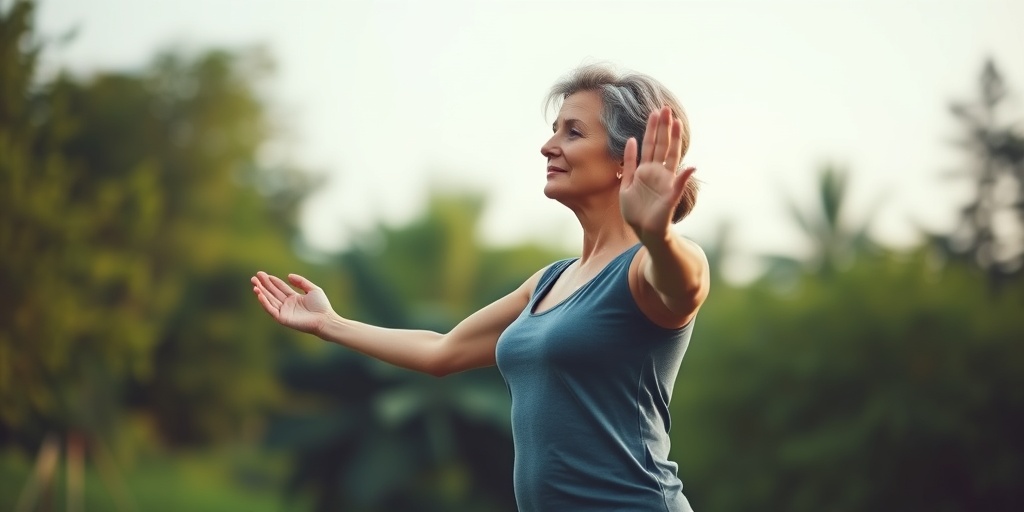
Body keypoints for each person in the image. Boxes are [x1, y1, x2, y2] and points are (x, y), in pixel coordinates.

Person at [251, 63, 710, 511]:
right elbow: (442, 352)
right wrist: (330, 324)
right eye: (554, 129)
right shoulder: (548, 282)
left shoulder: (651, 266)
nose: (548, 146)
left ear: (624, 158)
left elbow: (683, 285)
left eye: (573, 132)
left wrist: (658, 236)